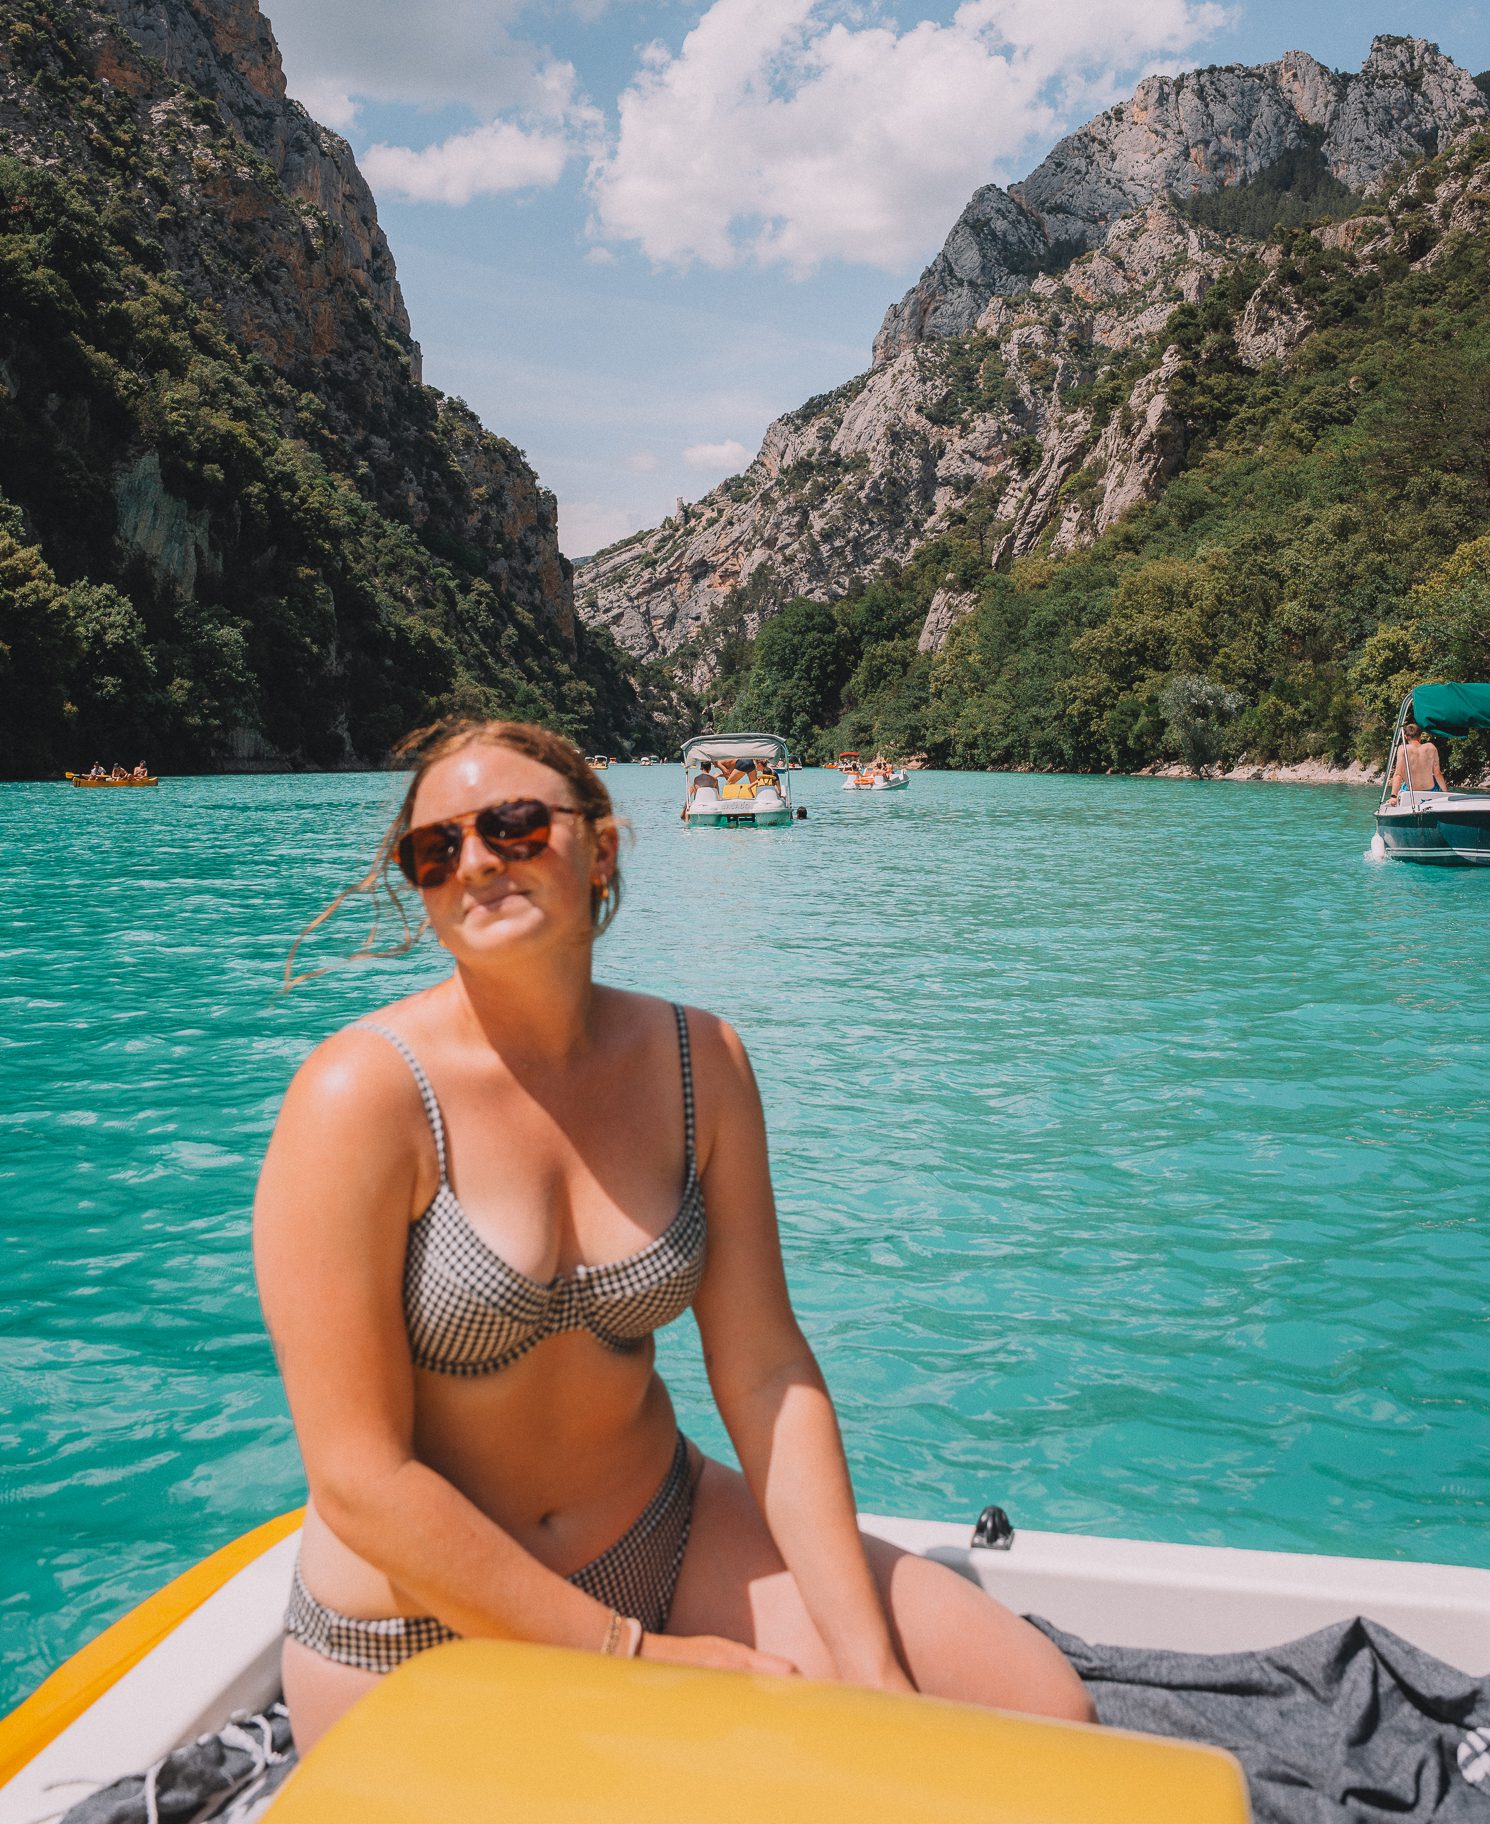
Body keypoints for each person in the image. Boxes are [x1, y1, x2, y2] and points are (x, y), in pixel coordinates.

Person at [255, 719, 1092, 1755]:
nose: (475, 862)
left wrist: (867, 1660)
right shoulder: (358, 1100)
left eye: (513, 827)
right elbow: (360, 1481)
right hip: (424, 1619)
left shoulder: (701, 1062)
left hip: (664, 1533)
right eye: (435, 850)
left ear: (599, 846)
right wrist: (631, 1658)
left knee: (1043, 1717)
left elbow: (766, 1372)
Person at [1389, 719, 1446, 801]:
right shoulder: (1431, 747)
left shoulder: (1403, 749)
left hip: (1411, 793)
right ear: (1420, 735)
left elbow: (1398, 775)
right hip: (1431, 791)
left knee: (1404, 786)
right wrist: (1445, 792)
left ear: (1405, 737)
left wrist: (1393, 797)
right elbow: (1437, 773)